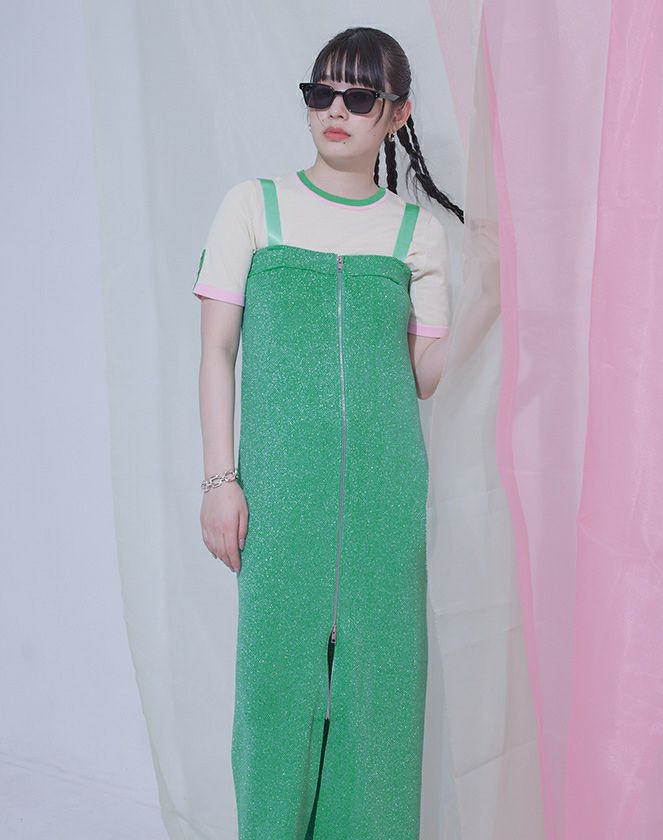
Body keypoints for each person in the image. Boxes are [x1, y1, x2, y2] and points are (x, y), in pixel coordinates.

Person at [192, 26, 464, 840]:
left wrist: (473, 300)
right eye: (321, 92)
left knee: (380, 714)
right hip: (279, 499)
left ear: (398, 114)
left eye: (358, 97)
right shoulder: (254, 207)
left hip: (387, 501)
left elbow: (422, 376)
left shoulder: (415, 234)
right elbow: (216, 353)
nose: (335, 111)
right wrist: (220, 481)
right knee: (275, 705)